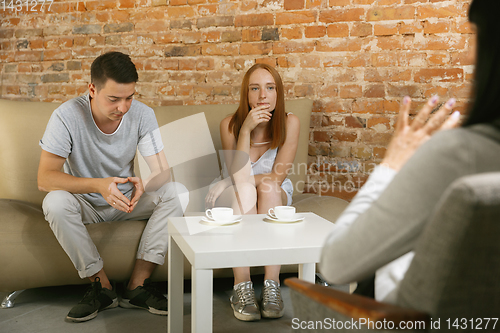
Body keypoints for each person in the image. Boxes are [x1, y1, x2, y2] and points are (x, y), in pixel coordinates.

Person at [320, 0, 498, 304]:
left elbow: (335, 264)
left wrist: (393, 163)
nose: (468, 54)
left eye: (475, 36)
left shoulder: (459, 155)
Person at [37, 51, 185, 322]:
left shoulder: (143, 114)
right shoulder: (66, 116)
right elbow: (45, 178)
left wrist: (147, 183)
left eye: (129, 97)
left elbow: (163, 172)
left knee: (177, 192)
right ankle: (101, 287)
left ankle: (136, 287)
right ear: (92, 89)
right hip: (85, 203)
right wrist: (98, 185)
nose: (123, 107)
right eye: (114, 99)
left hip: (127, 201)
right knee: (54, 203)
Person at [205, 63, 300, 321]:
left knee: (268, 186)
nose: (262, 96)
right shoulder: (230, 125)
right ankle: (242, 285)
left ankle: (271, 284)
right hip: (238, 192)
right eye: (255, 89)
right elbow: (239, 177)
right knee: (246, 188)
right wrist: (245, 129)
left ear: (278, 93)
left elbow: (277, 176)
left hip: (272, 191)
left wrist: (229, 181)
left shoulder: (290, 122)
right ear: (246, 95)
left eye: (270, 88)